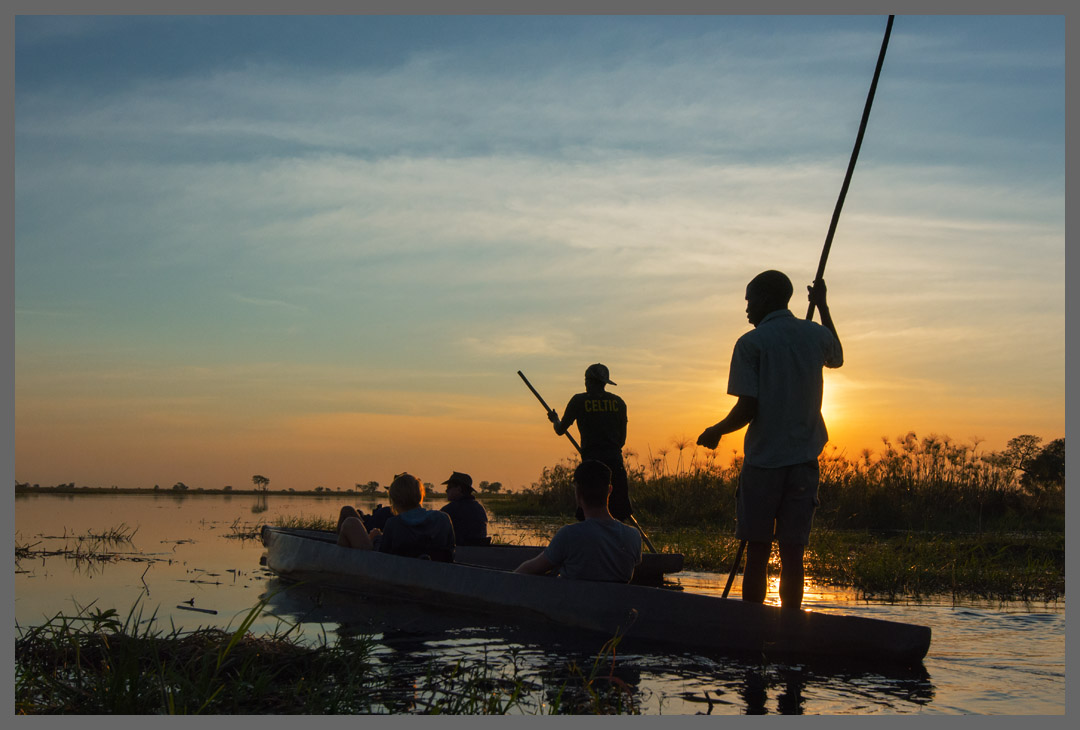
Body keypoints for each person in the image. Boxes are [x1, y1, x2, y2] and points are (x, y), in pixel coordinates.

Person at [697, 272, 842, 611]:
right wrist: (823, 307)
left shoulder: (752, 343)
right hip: (804, 464)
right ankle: (791, 625)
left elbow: (747, 408)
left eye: (749, 300)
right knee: (793, 553)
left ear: (764, 298)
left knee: (758, 551)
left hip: (763, 464)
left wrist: (716, 430)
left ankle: (752, 624)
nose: (747, 308)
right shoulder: (814, 334)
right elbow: (836, 356)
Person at [514, 460, 642, 582]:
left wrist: (508, 578)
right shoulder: (633, 536)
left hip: (574, 603)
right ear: (609, 490)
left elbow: (531, 569)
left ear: (577, 493)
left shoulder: (569, 535)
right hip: (616, 603)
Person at [549, 363, 633, 522]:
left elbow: (560, 430)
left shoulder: (579, 401)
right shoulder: (619, 403)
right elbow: (622, 440)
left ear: (589, 381)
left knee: (588, 514)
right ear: (605, 383)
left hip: (591, 464)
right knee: (620, 514)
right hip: (615, 463)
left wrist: (555, 420)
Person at [337, 472, 456, 562]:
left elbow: (383, 558)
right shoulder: (443, 519)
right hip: (437, 572)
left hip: (399, 572)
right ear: (420, 495)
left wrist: (375, 538)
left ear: (394, 500)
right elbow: (450, 553)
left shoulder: (394, 523)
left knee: (350, 522)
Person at [439, 471, 491, 546]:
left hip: (457, 553)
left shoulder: (448, 510)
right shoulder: (480, 508)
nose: (446, 490)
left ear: (459, 489)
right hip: (478, 551)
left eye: (449, 487)